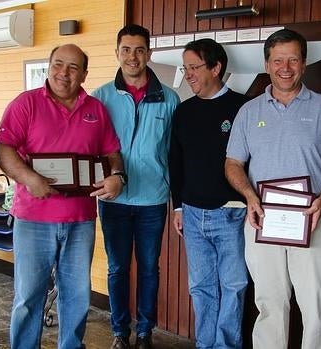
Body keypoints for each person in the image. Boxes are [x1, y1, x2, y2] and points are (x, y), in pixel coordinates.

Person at [225, 29, 321, 348]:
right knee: (269, 306)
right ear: (266, 64)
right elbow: (233, 164)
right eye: (278, 60)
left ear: (304, 64)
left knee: (318, 309)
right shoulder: (248, 112)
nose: (286, 67)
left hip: (313, 219)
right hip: (262, 221)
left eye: (293, 59)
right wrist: (250, 196)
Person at [0, 44, 124, 349]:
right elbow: (4, 150)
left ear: (84, 74)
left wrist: (118, 176)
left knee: (77, 295)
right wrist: (29, 178)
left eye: (73, 67)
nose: (63, 73)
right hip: (33, 219)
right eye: (58, 64)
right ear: (48, 65)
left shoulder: (95, 109)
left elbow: (112, 152)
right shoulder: (25, 104)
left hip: (80, 220)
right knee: (28, 296)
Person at [91, 24, 179, 349]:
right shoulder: (100, 98)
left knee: (149, 269)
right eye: (126, 50)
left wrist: (174, 192)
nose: (132, 57)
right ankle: (119, 332)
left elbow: (174, 152)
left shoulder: (169, 99)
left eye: (139, 50)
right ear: (117, 53)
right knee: (116, 268)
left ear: (149, 54)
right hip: (113, 200)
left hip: (152, 200)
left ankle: (144, 332)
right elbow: (89, 148)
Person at [168, 38, 250, 349]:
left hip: (233, 212)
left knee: (234, 285)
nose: (187, 74)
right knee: (201, 287)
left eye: (194, 67)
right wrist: (178, 207)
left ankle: (226, 346)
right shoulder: (184, 111)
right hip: (191, 213)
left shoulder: (242, 107)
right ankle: (206, 344)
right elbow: (175, 161)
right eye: (185, 68)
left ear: (216, 68)